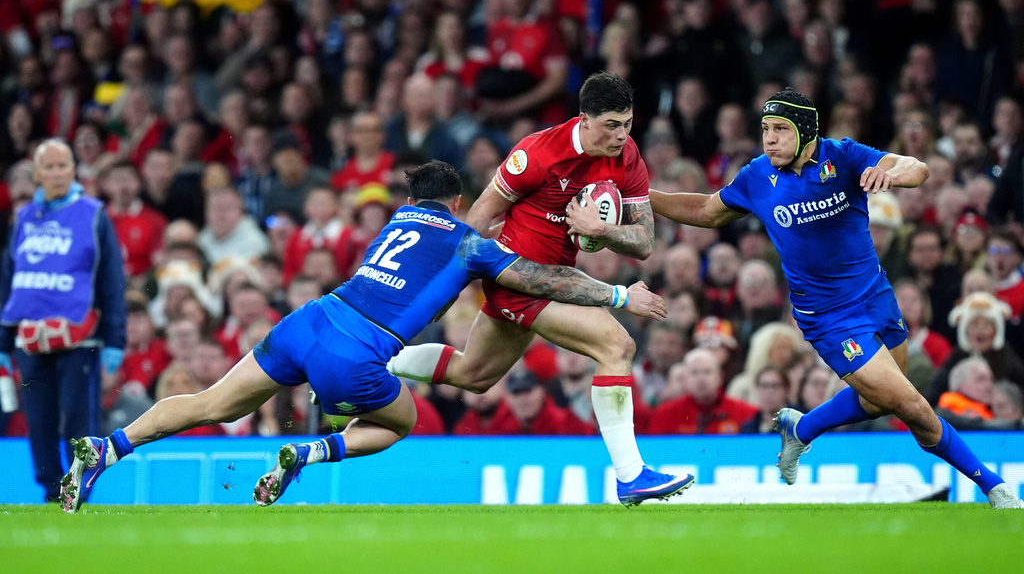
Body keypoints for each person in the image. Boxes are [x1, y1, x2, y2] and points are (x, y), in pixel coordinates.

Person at [58, 161, 671, 513]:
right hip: (354, 355)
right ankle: (310, 451)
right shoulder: (470, 243)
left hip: (308, 320)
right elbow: (539, 278)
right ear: (458, 201)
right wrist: (620, 295)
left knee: (212, 404)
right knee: (399, 422)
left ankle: (107, 448)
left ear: (411, 198)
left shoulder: (397, 219)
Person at [649, 86, 1024, 508]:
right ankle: (994, 487)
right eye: (764, 129)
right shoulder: (757, 176)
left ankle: (803, 429)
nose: (768, 138)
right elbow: (704, 210)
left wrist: (893, 173)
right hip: (829, 318)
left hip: (876, 296)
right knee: (911, 405)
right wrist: (645, 197)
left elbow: (915, 167)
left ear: (806, 131)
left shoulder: (842, 155)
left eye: (779, 129)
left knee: (878, 400)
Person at [389, 72, 694, 506]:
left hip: (557, 279)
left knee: (473, 374)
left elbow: (644, 242)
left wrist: (602, 230)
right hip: (515, 276)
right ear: (584, 119)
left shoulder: (626, 157)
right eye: (611, 124)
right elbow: (479, 218)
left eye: (627, 123)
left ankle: (373, 363)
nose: (621, 134)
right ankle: (631, 476)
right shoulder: (537, 152)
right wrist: (446, 288)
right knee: (616, 345)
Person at [0, 139, 126, 502]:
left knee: (77, 420)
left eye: (63, 166)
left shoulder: (93, 214)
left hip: (80, 339)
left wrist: (114, 340)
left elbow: (111, 279)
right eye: (49, 167)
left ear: (74, 170)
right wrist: (4, 342)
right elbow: (10, 279)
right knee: (38, 420)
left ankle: (79, 486)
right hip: (31, 338)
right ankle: (50, 489)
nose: (56, 173)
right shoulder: (23, 218)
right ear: (36, 174)